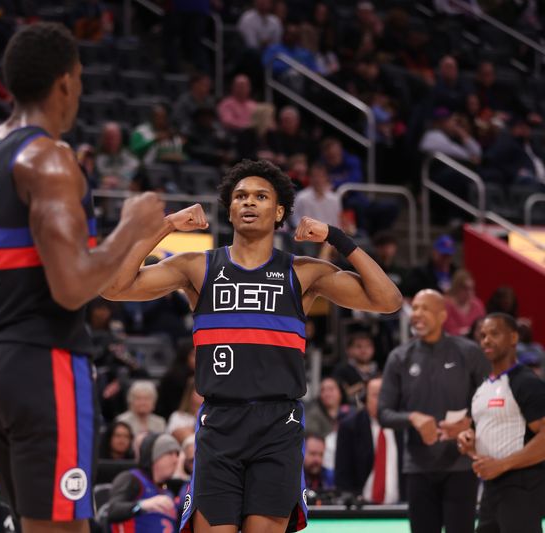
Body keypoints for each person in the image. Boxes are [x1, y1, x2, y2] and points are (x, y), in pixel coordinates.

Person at [0, 22, 172, 533]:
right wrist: (134, 227)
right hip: (43, 365)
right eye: (78, 79)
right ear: (65, 82)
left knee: (38, 525)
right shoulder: (51, 159)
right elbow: (74, 285)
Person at [101, 158, 403, 533]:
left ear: (279, 211)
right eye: (241, 196)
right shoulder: (199, 266)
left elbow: (388, 299)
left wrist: (335, 237)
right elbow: (113, 287)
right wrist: (166, 226)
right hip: (220, 423)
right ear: (229, 208)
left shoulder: (302, 272)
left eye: (261, 196)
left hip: (279, 426)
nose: (249, 202)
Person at [378, 289, 490, 533]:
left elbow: (491, 404)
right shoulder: (399, 357)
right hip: (418, 468)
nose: (416, 314)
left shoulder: (469, 352)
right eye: (415, 308)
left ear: (442, 315)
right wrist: (412, 418)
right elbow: (383, 413)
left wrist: (469, 424)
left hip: (461, 466)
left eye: (424, 308)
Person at [457, 313, 545, 533]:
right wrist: (467, 441)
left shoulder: (526, 382)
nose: (486, 340)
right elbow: (481, 435)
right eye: (483, 335)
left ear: (514, 337)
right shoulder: (483, 388)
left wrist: (501, 465)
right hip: (490, 488)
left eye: (494, 334)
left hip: (522, 487)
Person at [336, 377, 402, 504]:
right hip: (362, 508)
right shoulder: (350, 427)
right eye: (376, 395)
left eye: (387, 394)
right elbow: (343, 475)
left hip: (400, 508)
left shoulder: (404, 427)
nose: (382, 400)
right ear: (365, 399)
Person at [107, 433, 181, 532]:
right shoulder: (132, 479)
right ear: (155, 456)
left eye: (177, 454)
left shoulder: (168, 490)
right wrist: (141, 506)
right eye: (170, 453)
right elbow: (113, 511)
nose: (176, 460)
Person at [333, 331, 380, 404]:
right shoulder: (342, 370)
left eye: (368, 346)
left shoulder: (379, 369)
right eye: (358, 346)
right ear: (348, 350)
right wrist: (363, 385)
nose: (364, 350)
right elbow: (340, 394)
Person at [443, 269, 486, 336]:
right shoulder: (446, 305)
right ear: (456, 288)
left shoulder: (477, 304)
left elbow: (483, 326)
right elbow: (448, 330)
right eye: (465, 289)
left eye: (471, 289)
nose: (469, 293)